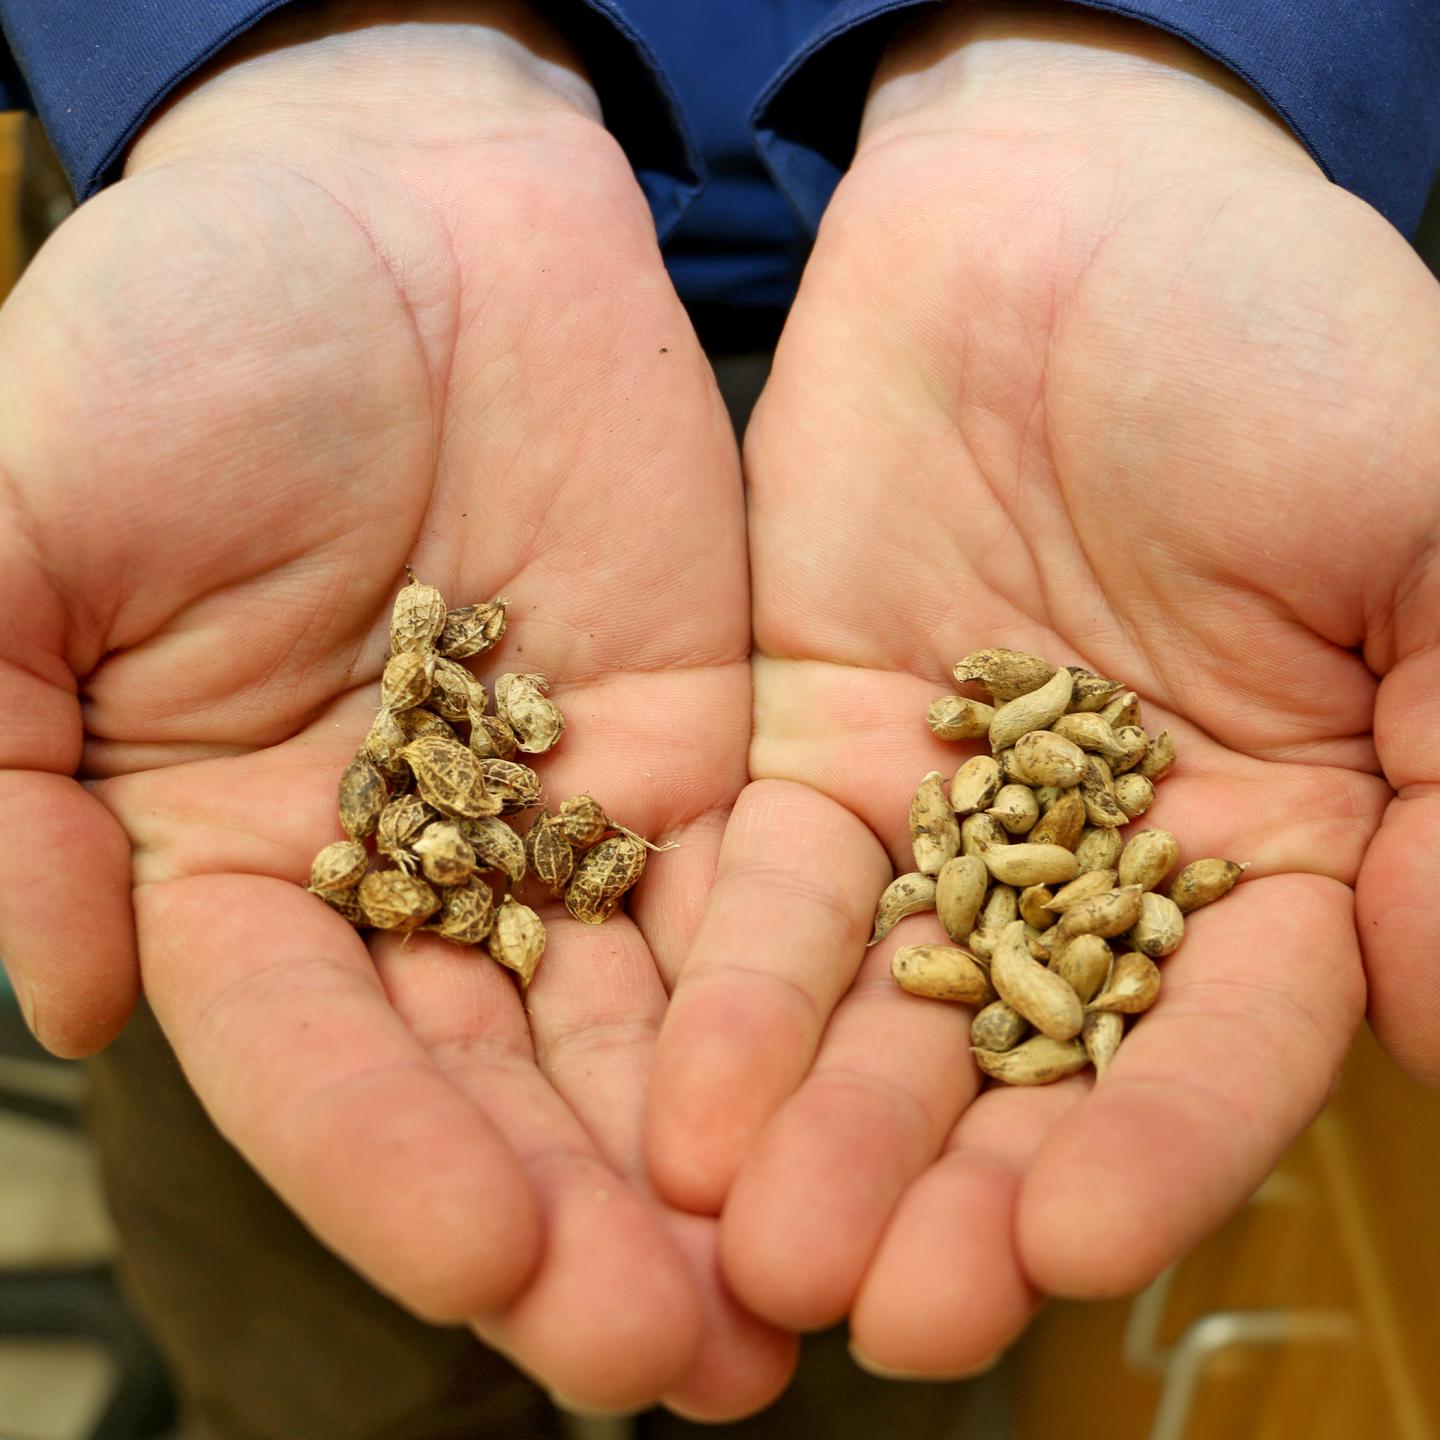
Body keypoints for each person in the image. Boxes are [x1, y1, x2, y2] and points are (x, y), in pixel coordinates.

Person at [1, 0, 1438, 1433]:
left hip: (1018, 412)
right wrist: (308, 69)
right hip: (294, 529)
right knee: (335, 1302)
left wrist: (1150, 79)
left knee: (857, 1256)